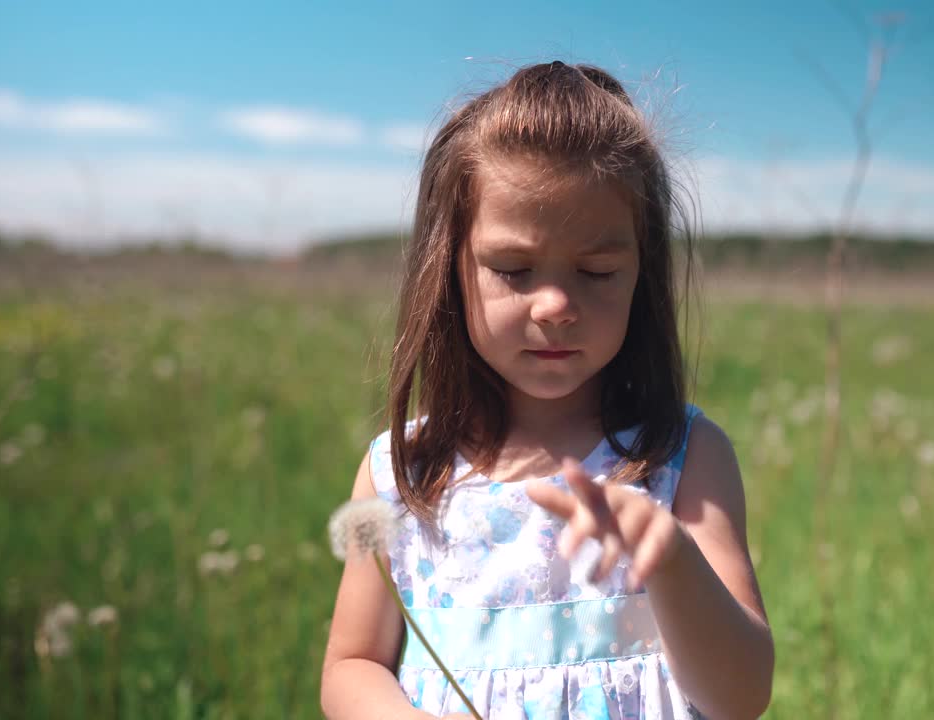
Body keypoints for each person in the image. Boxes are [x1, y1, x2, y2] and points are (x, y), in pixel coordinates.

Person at [320, 61, 773, 720]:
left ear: (641, 276)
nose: (557, 304)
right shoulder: (400, 474)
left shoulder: (683, 457)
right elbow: (352, 664)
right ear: (449, 269)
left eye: (597, 271)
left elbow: (742, 697)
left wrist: (673, 562)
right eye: (514, 269)